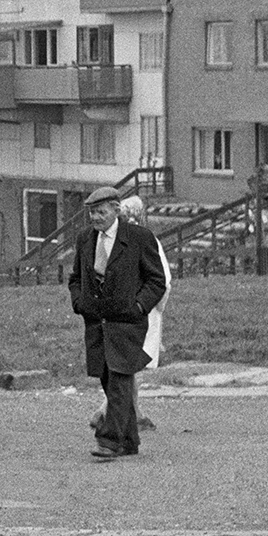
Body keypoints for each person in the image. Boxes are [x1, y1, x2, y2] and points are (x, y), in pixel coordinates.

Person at [69, 183, 168, 462]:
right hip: (97, 323)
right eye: (92, 214)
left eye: (100, 212)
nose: (95, 218)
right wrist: (79, 302)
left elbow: (156, 281)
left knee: (120, 380)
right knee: (106, 377)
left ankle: (109, 440)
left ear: (116, 210)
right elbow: (75, 278)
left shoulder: (139, 238)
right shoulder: (85, 239)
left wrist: (138, 307)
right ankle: (130, 441)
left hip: (127, 323)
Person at [92, 194, 171, 435]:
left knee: (124, 366)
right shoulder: (145, 240)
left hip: (130, 311)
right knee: (124, 366)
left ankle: (122, 413)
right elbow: (164, 282)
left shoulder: (120, 240)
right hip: (137, 314)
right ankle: (115, 417)